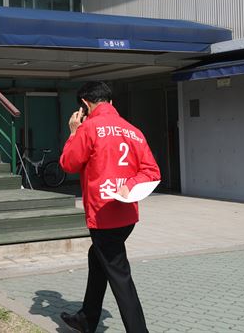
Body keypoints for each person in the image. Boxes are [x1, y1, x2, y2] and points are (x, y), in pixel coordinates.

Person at [58, 81, 160, 333]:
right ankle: (87, 318)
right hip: (126, 215)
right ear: (111, 102)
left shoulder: (89, 128)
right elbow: (151, 171)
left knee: (119, 275)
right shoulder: (132, 129)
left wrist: (73, 132)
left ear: (84, 104)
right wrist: (129, 184)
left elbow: (69, 164)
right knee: (98, 259)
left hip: (102, 215)